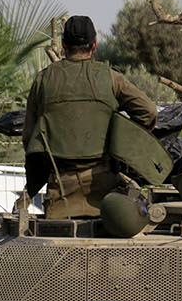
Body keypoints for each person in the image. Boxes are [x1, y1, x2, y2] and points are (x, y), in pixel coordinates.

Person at [22, 15, 158, 219]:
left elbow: (29, 137)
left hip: (60, 193)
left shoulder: (43, 80)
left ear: (64, 45)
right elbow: (149, 112)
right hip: (106, 195)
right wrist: (121, 143)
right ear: (95, 45)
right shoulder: (111, 78)